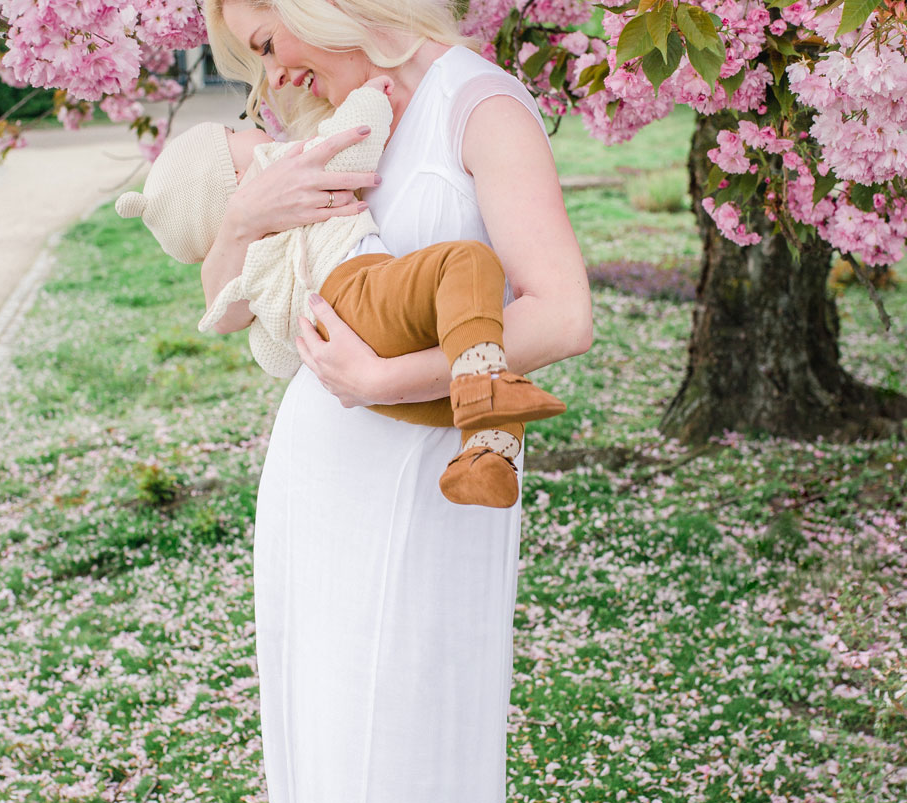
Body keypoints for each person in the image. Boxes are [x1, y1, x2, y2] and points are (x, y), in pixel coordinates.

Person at [199, 0, 592, 803]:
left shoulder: (478, 105)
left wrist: (385, 383)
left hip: (426, 483)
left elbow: (560, 312)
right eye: (255, 58)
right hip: (316, 478)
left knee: (407, 757)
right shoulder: (340, 129)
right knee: (321, 748)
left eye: (268, 42)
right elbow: (229, 294)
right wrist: (244, 223)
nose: (274, 73)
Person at [114, 74, 567, 508]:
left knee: (469, 408)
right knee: (465, 263)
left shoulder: (256, 257)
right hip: (358, 291)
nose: (248, 126)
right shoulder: (278, 173)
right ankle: (481, 382)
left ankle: (483, 462)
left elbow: (267, 346)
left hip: (340, 348)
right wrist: (371, 98)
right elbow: (348, 151)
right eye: (234, 131)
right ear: (233, 174)